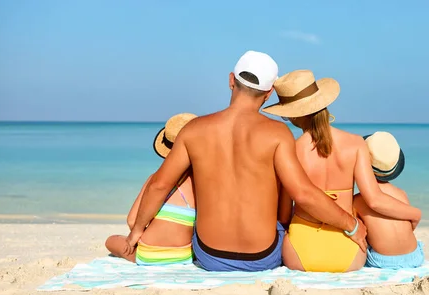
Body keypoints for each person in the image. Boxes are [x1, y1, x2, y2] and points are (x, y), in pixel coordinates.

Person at [124, 51, 368, 272]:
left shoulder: (194, 130)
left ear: (231, 80)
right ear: (269, 93)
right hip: (262, 258)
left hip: (210, 256)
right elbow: (303, 194)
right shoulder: (277, 134)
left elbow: (159, 185)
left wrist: (137, 231)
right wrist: (352, 225)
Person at [262, 70, 422, 273]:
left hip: (300, 255)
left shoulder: (291, 150)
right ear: (323, 102)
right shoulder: (356, 144)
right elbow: (374, 200)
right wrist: (415, 214)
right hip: (349, 252)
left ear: (292, 116)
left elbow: (284, 214)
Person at [105, 113, 198, 265]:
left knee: (111, 241)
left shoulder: (155, 179)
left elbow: (132, 221)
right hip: (185, 254)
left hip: (148, 255)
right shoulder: (200, 182)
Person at [353, 131, 424, 269]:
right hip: (415, 256)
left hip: (383, 260)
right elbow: (409, 227)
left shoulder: (357, 201)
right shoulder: (401, 194)